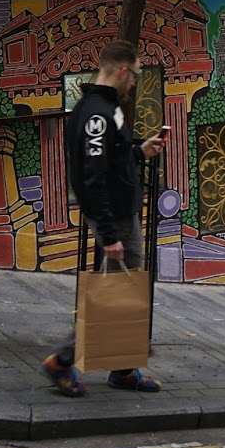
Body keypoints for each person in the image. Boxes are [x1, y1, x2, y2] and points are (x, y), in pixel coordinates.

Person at [42, 39, 165, 397]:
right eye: (136, 74)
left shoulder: (102, 108)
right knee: (114, 295)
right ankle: (62, 360)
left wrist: (138, 151)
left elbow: (109, 157)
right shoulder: (97, 114)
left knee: (122, 292)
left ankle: (123, 368)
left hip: (119, 212)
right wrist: (110, 233)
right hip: (115, 216)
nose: (135, 81)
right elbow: (91, 176)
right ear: (122, 71)